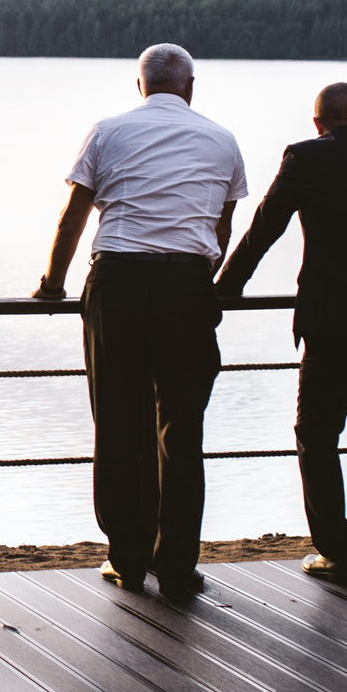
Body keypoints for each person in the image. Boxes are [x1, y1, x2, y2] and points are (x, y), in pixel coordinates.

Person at [33, 43, 248, 597]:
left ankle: (127, 558)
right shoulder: (222, 139)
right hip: (186, 285)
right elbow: (221, 227)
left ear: (140, 86)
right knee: (182, 429)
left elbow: (75, 213)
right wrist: (197, 270)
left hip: (120, 281)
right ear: (190, 86)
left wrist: (53, 284)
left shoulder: (108, 131)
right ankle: (176, 565)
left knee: (120, 423)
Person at [216, 82, 347, 584]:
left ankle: (334, 551)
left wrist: (223, 291)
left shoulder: (304, 158)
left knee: (316, 433)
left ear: (318, 124)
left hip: (334, 318)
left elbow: (263, 229)